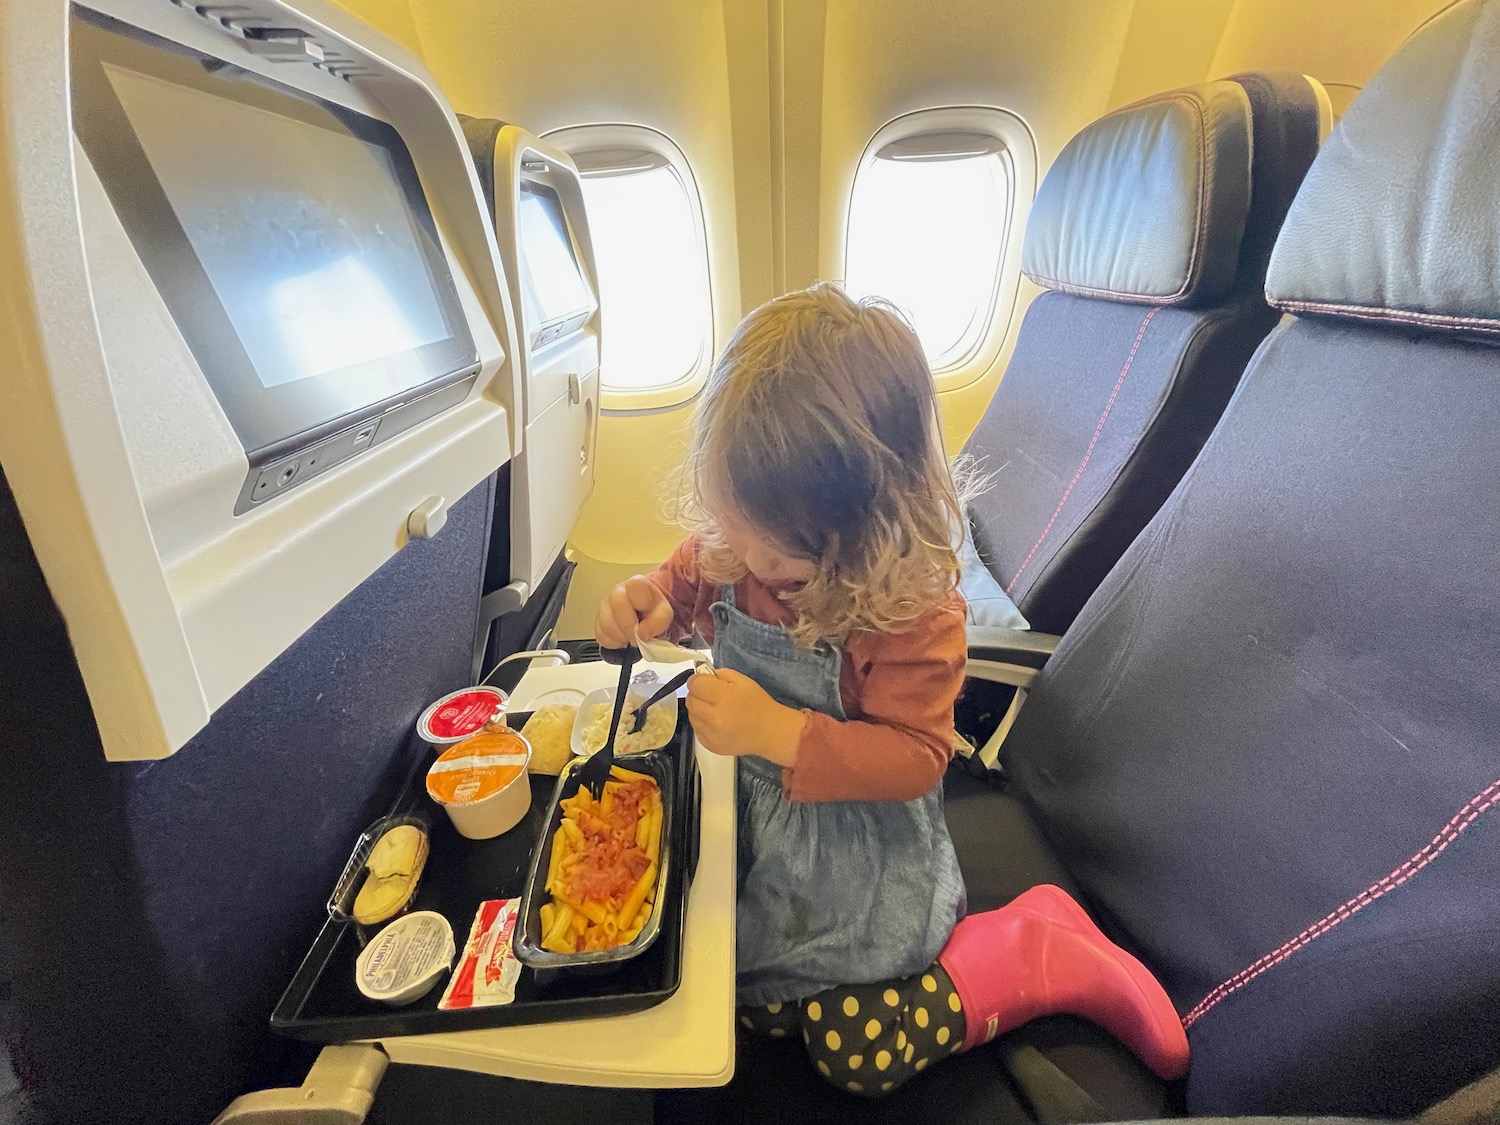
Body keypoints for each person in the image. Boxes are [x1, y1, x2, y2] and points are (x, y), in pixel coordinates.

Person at [595, 283, 1188, 1095]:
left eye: (774, 551)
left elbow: (916, 756)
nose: (746, 559)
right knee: (747, 1003)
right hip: (763, 815)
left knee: (854, 1052)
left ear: (864, 532)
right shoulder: (744, 541)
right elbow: (691, 575)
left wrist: (779, 732)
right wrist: (655, 599)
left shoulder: (906, 610)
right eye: (735, 526)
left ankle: (1031, 947)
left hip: (857, 831)